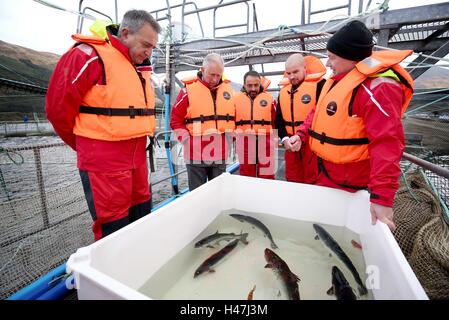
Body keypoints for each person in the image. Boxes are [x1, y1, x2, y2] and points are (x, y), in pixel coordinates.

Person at [45, 10, 161, 241]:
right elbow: (57, 110)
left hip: (137, 160)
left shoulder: (137, 65)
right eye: (146, 45)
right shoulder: (87, 55)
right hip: (104, 162)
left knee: (142, 216)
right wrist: (90, 147)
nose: (149, 52)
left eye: (153, 48)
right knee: (113, 228)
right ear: (125, 33)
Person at [289, 20, 414, 231]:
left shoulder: (379, 88)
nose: (328, 64)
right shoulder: (337, 80)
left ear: (350, 56)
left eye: (332, 57)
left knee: (344, 236)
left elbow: (387, 143)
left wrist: (381, 198)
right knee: (323, 230)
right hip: (327, 175)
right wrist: (301, 134)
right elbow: (317, 113)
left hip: (353, 185)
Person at [170, 53, 235, 191]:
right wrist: (187, 140)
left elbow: (234, 120)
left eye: (219, 75)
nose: (215, 79)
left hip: (220, 155)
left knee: (219, 193)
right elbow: (175, 121)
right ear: (203, 69)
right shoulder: (187, 92)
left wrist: (230, 140)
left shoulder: (229, 92)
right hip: (196, 156)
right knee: (197, 195)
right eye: (212, 74)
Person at [275, 54, 326, 183]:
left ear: (305, 68)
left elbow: (323, 116)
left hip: (313, 146)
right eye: (289, 73)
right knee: (292, 181)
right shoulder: (282, 92)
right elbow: (279, 120)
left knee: (314, 180)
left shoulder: (321, 86)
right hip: (290, 145)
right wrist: (285, 139)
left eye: (296, 71)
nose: (292, 76)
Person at [234, 70, 277, 179]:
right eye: (249, 85)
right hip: (244, 142)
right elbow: (231, 121)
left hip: (265, 142)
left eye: (256, 85)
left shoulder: (270, 99)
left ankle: (266, 195)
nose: (253, 89)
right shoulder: (235, 99)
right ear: (244, 85)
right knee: (246, 176)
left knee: (267, 175)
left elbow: (275, 121)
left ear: (260, 84)